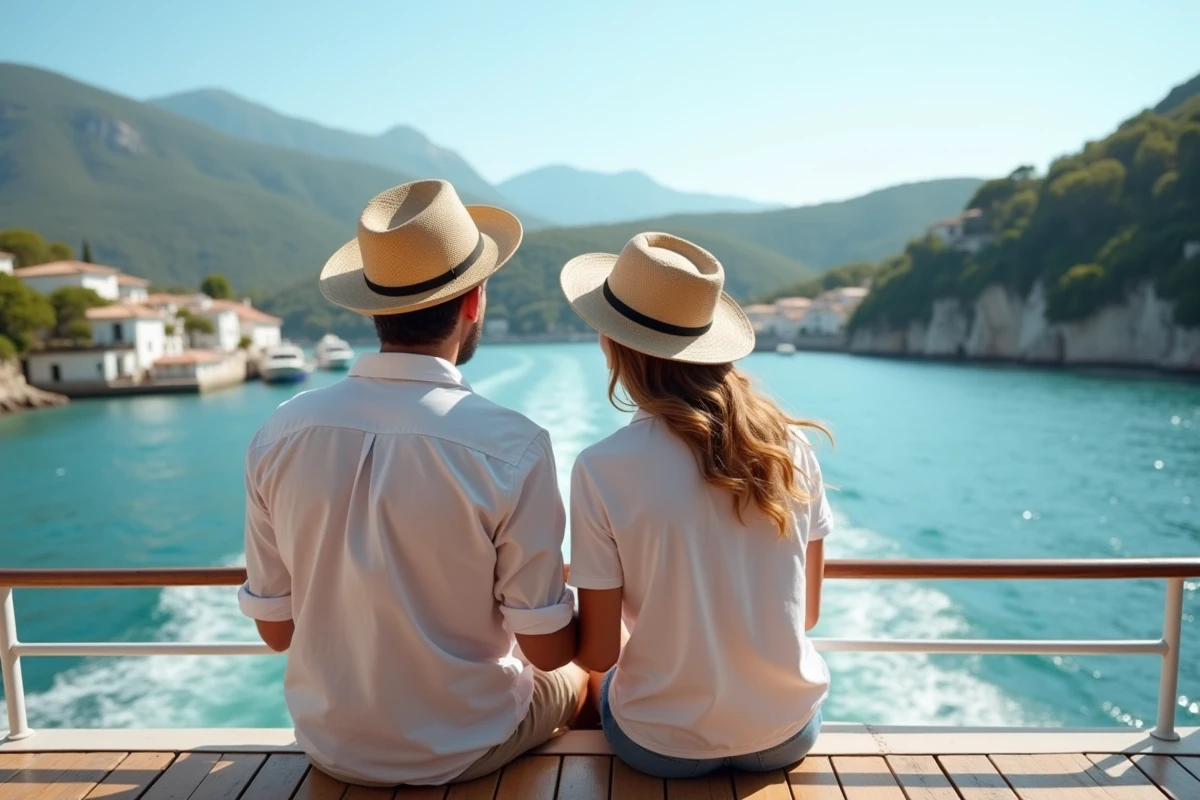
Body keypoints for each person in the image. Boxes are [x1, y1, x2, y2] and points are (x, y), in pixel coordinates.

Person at [238, 180, 587, 786]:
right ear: (474, 301)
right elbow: (548, 651)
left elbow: (276, 631)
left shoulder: (279, 433)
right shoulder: (515, 444)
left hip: (330, 746)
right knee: (589, 676)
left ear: (372, 306)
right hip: (468, 746)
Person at [560, 232, 833, 778]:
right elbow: (806, 613)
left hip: (661, 746)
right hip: (783, 733)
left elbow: (597, 654)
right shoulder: (791, 448)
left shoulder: (602, 466)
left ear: (616, 346)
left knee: (594, 685)